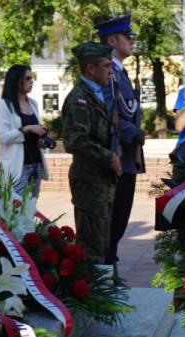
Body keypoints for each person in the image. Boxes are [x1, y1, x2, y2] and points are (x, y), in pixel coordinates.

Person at [61, 42, 122, 264]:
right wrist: (108, 156)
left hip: (101, 181)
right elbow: (74, 140)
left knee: (102, 244)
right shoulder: (80, 98)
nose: (111, 70)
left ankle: (101, 291)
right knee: (91, 249)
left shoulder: (94, 94)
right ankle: (90, 294)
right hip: (89, 181)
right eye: (106, 66)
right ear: (90, 69)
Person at [95, 15, 146, 267]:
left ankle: (110, 267)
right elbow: (106, 108)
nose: (132, 41)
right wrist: (129, 131)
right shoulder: (108, 72)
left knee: (120, 217)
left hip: (127, 156)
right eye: (128, 37)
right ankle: (105, 271)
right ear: (112, 40)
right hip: (116, 154)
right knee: (112, 219)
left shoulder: (120, 72)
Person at [0, 64, 49, 198]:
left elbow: (32, 136)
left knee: (31, 209)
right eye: (27, 78)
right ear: (16, 80)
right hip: (17, 167)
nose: (32, 81)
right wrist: (27, 129)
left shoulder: (33, 103)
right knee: (16, 212)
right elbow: (2, 137)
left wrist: (41, 140)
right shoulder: (4, 105)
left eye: (32, 78)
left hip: (36, 164)